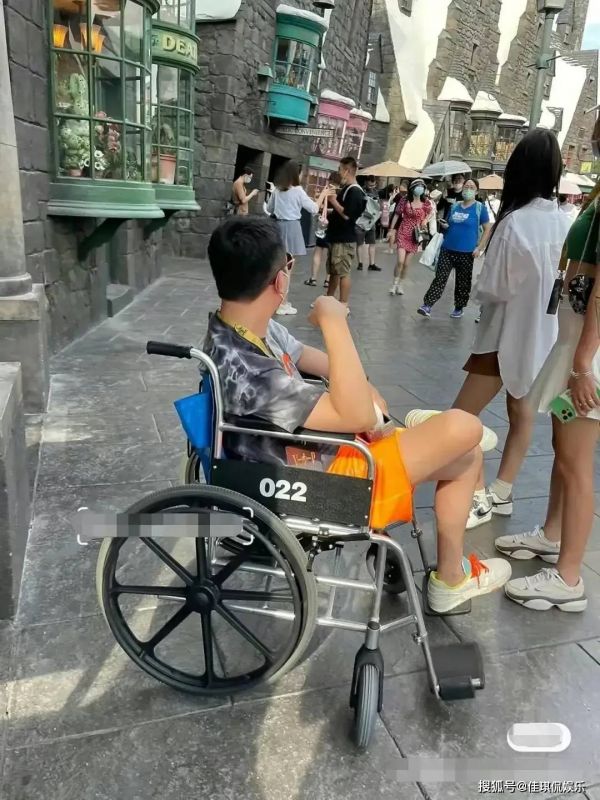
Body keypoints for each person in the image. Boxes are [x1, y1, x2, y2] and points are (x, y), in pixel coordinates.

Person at [204, 215, 512, 613]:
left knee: (466, 455)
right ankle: (429, 431)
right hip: (319, 483)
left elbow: (318, 362)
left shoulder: (243, 329)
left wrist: (366, 390)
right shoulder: (246, 369)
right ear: (280, 280)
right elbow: (357, 418)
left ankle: (450, 580)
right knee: (465, 426)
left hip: (316, 455)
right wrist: (334, 322)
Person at [496, 114, 600, 612]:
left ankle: (568, 577)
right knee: (564, 449)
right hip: (574, 347)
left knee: (576, 463)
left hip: (586, 356)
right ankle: (552, 536)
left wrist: (583, 364)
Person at [452, 129, 572, 530]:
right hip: (545, 336)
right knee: (521, 412)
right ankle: (502, 490)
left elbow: (493, 288)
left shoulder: (515, 222)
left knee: (458, 418)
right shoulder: (564, 221)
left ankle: (474, 492)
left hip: (501, 336)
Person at [418, 178, 493, 319]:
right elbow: (449, 224)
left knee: (462, 282)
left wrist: (479, 248)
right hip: (447, 249)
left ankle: (459, 307)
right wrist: (445, 225)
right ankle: (427, 305)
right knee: (440, 278)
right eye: (466, 186)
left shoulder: (480, 208)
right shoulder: (455, 206)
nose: (468, 189)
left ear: (476, 191)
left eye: (471, 187)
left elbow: (487, 229)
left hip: (467, 252)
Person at [267, 160, 319, 316]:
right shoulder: (298, 191)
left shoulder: (277, 190)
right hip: (292, 228)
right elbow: (313, 208)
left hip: (277, 227)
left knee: (278, 266)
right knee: (288, 267)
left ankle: (277, 300)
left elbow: (269, 208)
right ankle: (282, 303)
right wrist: (323, 196)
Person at [325, 155, 366, 312]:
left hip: (345, 238)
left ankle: (343, 304)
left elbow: (348, 215)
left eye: (340, 169)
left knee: (343, 272)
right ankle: (329, 299)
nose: (339, 172)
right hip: (337, 236)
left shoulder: (354, 191)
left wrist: (333, 200)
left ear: (347, 170)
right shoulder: (348, 189)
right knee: (334, 271)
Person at [387, 178, 434, 295]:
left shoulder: (426, 202)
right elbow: (397, 214)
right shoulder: (405, 200)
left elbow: (431, 212)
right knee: (400, 261)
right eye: (418, 186)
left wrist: (425, 220)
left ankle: (400, 285)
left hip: (415, 236)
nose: (420, 189)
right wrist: (392, 229)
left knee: (406, 264)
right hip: (403, 232)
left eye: (422, 187)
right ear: (412, 188)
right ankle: (394, 284)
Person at [304, 171, 341, 289]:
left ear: (330, 180)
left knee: (318, 251)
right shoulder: (340, 193)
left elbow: (318, 207)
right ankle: (327, 280)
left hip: (323, 225)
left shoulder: (326, 191)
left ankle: (313, 278)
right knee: (331, 254)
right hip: (335, 226)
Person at [356, 175, 382, 272]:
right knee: (360, 243)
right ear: (366, 183)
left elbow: (378, 204)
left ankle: (372, 264)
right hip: (361, 220)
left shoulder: (375, 192)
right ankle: (360, 263)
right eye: (370, 185)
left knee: (372, 243)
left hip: (372, 221)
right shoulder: (360, 191)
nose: (372, 187)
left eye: (373, 185)